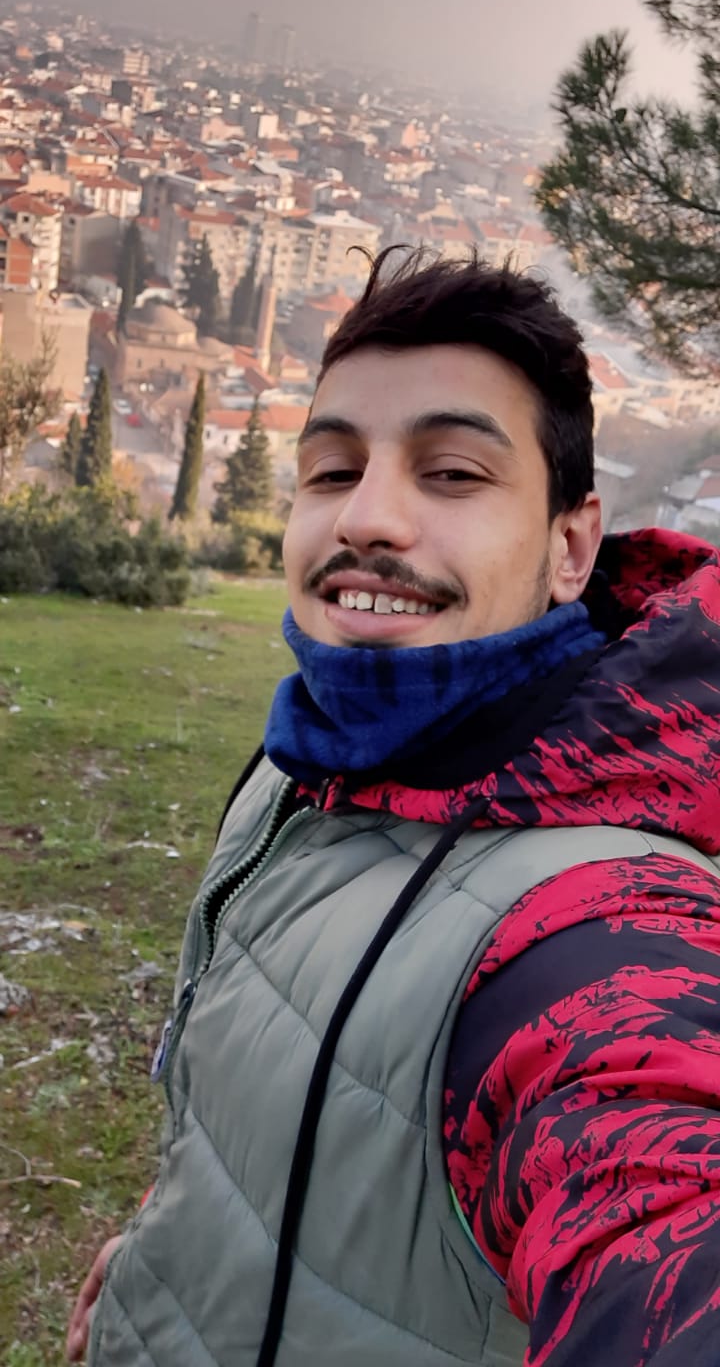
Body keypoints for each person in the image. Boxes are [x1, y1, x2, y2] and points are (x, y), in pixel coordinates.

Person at [68, 247, 720, 1367]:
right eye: (332, 471)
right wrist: (161, 1255)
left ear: (570, 544)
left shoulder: (600, 924)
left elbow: (657, 1197)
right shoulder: (307, 757)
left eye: (452, 473)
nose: (368, 518)